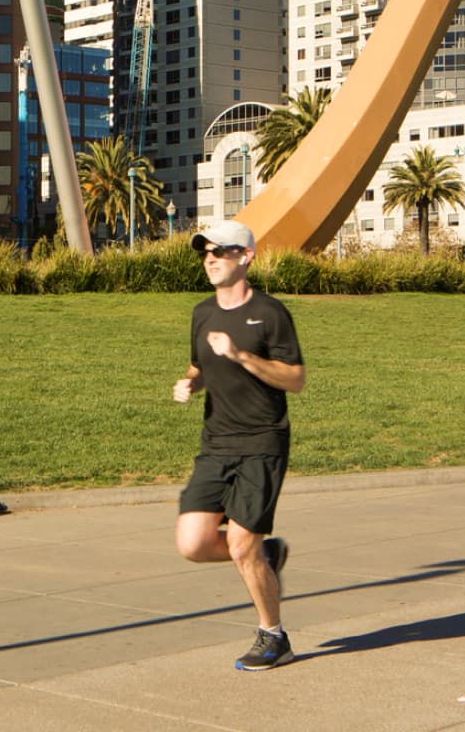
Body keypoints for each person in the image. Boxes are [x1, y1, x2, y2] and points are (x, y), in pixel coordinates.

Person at [172, 219, 306, 671]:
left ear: (246, 257)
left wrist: (242, 355)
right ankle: (266, 555)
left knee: (241, 545)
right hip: (216, 443)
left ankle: (274, 635)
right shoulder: (202, 312)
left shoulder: (270, 314)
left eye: (221, 251)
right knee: (192, 544)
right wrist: (191, 383)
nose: (210, 258)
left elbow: (295, 379)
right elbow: (200, 365)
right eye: (204, 252)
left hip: (261, 442)